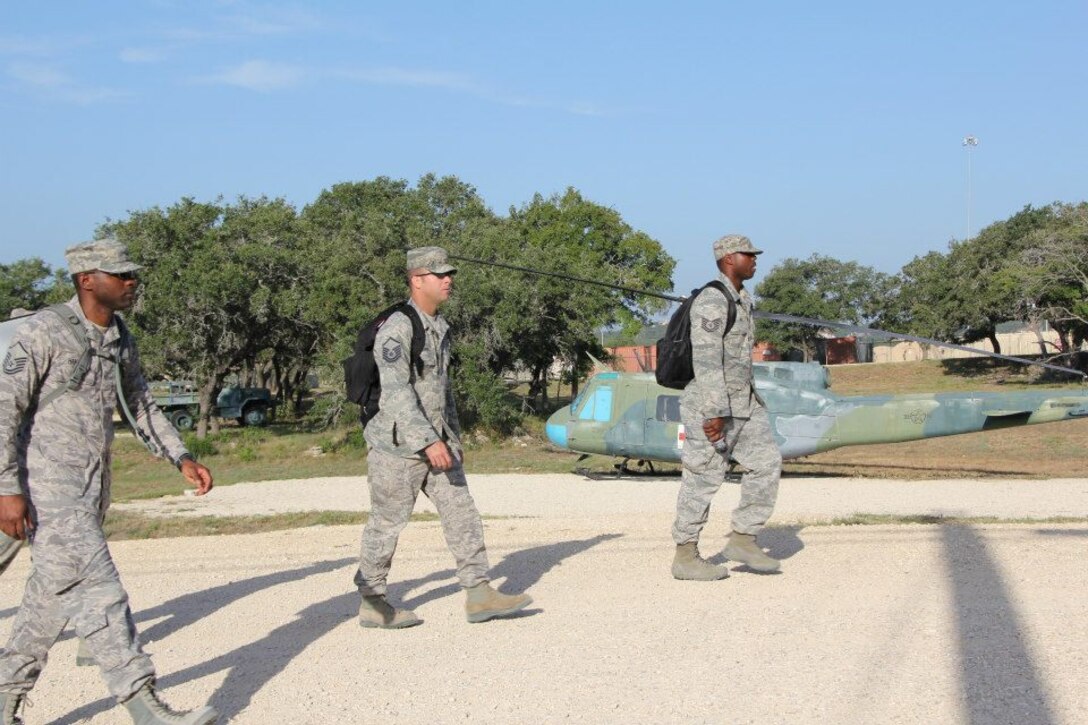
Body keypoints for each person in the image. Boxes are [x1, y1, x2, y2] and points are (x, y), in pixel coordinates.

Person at [0, 240, 218, 725]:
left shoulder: (119, 336)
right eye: (119, 275)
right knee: (103, 591)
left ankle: (4, 699)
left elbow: (139, 403)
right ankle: (143, 704)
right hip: (46, 488)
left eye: (132, 274)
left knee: (48, 602)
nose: (131, 282)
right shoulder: (43, 332)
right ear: (86, 279)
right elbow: (3, 410)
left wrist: (179, 455)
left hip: (92, 487)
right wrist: (6, 488)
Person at [354, 246, 532, 627]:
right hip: (397, 446)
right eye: (439, 274)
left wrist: (452, 438)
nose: (448, 280)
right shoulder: (398, 328)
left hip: (437, 442)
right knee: (387, 523)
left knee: (462, 511)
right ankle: (372, 600)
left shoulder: (439, 326)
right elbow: (395, 391)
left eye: (450, 273)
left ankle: (479, 593)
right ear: (417, 280)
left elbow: (441, 389)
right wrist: (428, 441)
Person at [671, 234, 782, 580]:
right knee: (703, 477)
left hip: (745, 402)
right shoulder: (712, 300)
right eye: (749, 255)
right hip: (713, 405)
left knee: (766, 463)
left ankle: (743, 538)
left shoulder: (742, 299)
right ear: (729, 258)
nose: (755, 260)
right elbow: (707, 361)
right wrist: (713, 412)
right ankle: (686, 555)